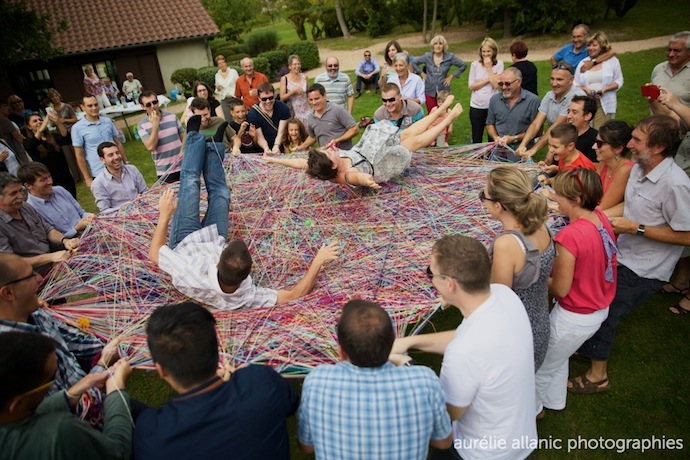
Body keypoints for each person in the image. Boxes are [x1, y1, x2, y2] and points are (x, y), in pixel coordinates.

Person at [148, 116, 341, 310]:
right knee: (222, 193)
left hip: (186, 240)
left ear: (216, 265)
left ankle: (193, 136)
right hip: (213, 238)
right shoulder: (245, 295)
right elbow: (293, 295)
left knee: (191, 183)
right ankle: (214, 145)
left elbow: (155, 254)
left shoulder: (190, 274)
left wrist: (165, 216)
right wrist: (317, 262)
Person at [571, 115, 690, 393]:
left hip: (645, 269)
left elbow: (687, 235)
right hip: (620, 254)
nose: (630, 144)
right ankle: (590, 348)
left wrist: (636, 228)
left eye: (637, 140)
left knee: (606, 312)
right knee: (596, 302)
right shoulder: (639, 167)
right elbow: (630, 205)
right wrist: (589, 218)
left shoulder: (676, 184)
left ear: (658, 147)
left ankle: (598, 376)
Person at [392, 235, 537, 460]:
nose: (429, 278)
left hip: (481, 452)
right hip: (520, 437)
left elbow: (448, 413)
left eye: (430, 273)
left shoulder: (463, 353)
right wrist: (411, 342)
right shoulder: (504, 295)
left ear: (450, 284)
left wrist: (405, 365)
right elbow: (464, 335)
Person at [134, 302, 298, 459]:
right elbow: (291, 403)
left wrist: (115, 392)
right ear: (217, 350)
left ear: (161, 370)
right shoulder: (262, 381)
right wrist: (243, 380)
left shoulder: (152, 434)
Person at [298, 299, 452, 459]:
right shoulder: (424, 381)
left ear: (341, 352)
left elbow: (306, 446)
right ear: (393, 339)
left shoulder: (317, 381)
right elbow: (443, 442)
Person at [536, 169, 617, 417]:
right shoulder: (600, 217)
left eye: (558, 194)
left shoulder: (570, 236)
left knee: (540, 368)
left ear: (577, 201)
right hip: (598, 308)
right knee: (559, 358)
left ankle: (531, 411)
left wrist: (534, 276)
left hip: (575, 316)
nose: (554, 198)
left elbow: (560, 287)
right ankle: (555, 401)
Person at [266, 96, 463, 189]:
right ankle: (447, 119)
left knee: (406, 132)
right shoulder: (347, 174)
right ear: (334, 164)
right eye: (329, 153)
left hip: (370, 148)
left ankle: (439, 110)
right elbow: (357, 178)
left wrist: (274, 161)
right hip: (381, 161)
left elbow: (300, 163)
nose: (330, 149)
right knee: (415, 141)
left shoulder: (323, 166)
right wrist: (367, 181)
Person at [0, 331, 132, 460]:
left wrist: (69, 395)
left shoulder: (8, 418)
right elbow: (118, 451)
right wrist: (116, 390)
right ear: (18, 403)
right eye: (52, 378)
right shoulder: (58, 433)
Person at [0, 253, 122, 392]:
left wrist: (122, 344)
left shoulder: (37, 313)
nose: (40, 278)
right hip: (82, 407)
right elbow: (61, 406)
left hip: (90, 393)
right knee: (149, 414)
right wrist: (102, 364)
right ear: (8, 292)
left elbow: (77, 341)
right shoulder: (9, 352)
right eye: (30, 276)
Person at [483, 167, 554, 371]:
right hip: (539, 322)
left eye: (483, 196)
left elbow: (497, 300)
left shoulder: (507, 244)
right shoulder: (541, 225)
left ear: (498, 206)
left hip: (516, 336)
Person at [0, 173, 79, 271]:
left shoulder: (24, 207)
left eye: (21, 191)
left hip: (55, 263)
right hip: (32, 276)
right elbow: (9, 263)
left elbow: (47, 229)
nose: (20, 196)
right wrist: (50, 257)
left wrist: (65, 241)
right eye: (13, 193)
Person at [516, 62, 586, 161]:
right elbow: (536, 123)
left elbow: (557, 126)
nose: (554, 83)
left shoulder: (576, 97)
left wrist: (534, 149)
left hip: (577, 145)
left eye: (559, 79)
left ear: (571, 80)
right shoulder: (549, 95)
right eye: (552, 79)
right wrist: (523, 145)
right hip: (559, 143)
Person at [17, 162, 94, 238]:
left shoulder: (60, 190)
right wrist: (76, 229)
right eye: (43, 180)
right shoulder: (31, 208)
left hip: (90, 233)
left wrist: (89, 216)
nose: (50, 182)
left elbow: (81, 212)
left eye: (49, 176)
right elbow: (49, 237)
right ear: (28, 186)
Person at [71, 95, 128, 186]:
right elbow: (79, 155)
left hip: (118, 167)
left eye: (96, 105)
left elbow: (117, 143)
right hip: (99, 171)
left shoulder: (107, 121)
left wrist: (126, 162)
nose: (94, 108)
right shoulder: (77, 128)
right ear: (82, 107)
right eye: (90, 106)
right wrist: (87, 178)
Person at [486, 67, 541, 157]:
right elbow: (489, 124)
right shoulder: (494, 100)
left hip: (521, 152)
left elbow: (538, 131)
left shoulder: (533, 101)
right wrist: (496, 137)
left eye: (507, 84)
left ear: (518, 82)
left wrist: (514, 138)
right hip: (498, 153)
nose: (503, 87)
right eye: (501, 83)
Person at [574, 31, 624, 130]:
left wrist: (604, 89)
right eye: (589, 45)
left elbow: (619, 81)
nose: (590, 48)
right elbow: (575, 83)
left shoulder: (612, 62)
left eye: (594, 45)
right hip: (585, 104)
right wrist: (585, 89)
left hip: (603, 103)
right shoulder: (583, 63)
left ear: (602, 46)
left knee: (600, 131)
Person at [21, 112, 77, 197]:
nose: (39, 122)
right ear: (29, 126)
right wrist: (43, 125)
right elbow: (32, 144)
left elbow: (65, 138)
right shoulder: (28, 142)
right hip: (48, 180)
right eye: (35, 121)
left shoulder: (52, 137)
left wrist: (58, 122)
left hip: (65, 176)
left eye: (40, 119)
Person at [137, 91, 184, 183]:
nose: (153, 106)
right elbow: (150, 146)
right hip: (165, 171)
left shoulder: (172, 116)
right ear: (143, 107)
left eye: (154, 102)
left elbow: (183, 137)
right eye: (148, 104)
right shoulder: (142, 125)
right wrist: (155, 125)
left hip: (183, 165)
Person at [90, 142, 148, 215]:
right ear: (102, 160)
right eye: (111, 155)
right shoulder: (98, 183)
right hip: (121, 220)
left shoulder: (132, 169)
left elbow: (145, 191)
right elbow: (105, 211)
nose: (116, 157)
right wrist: (126, 207)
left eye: (117, 153)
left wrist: (143, 198)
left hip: (144, 212)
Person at [296, 84, 358, 151]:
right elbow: (312, 137)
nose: (314, 102)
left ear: (324, 96)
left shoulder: (338, 110)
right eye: (311, 100)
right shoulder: (310, 117)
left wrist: (337, 140)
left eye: (316, 99)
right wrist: (301, 147)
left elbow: (354, 129)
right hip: (325, 156)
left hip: (344, 154)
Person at [412, 35, 467, 112]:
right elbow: (414, 63)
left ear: (443, 45)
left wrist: (451, 76)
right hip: (429, 90)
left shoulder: (449, 57)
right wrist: (421, 73)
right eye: (435, 43)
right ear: (432, 45)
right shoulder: (427, 56)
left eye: (440, 43)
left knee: (444, 113)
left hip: (444, 90)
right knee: (432, 114)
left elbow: (463, 65)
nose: (438, 46)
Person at [592, 120, 634, 212]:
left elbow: (603, 207)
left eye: (599, 143)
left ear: (618, 148)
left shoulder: (625, 170)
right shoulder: (605, 163)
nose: (594, 147)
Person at [468, 37, 503, 143]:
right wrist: (488, 79)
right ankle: (478, 158)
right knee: (477, 136)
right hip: (476, 105)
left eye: (488, 51)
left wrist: (489, 67)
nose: (486, 54)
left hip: (492, 106)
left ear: (494, 51)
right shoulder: (474, 65)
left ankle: (490, 158)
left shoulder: (499, 64)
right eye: (483, 51)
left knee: (492, 137)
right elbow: (471, 86)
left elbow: (496, 85)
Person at [650, 31, 690, 114]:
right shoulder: (659, 68)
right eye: (669, 50)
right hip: (656, 125)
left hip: (682, 126)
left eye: (677, 51)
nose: (671, 54)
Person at [47, 89, 81, 182]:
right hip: (61, 135)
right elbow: (52, 124)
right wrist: (55, 119)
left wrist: (64, 120)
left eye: (56, 96)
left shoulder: (67, 107)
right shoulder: (51, 110)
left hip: (71, 131)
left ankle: (82, 174)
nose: (55, 98)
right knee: (68, 156)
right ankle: (76, 177)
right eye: (53, 97)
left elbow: (75, 119)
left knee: (76, 153)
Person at [247, 82, 291, 154]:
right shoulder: (253, 113)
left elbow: (281, 132)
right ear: (259, 98)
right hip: (263, 147)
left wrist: (276, 145)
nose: (268, 101)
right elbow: (260, 136)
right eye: (264, 99)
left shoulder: (283, 108)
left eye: (271, 98)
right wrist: (266, 148)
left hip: (282, 144)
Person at [567, 95, 599, 163]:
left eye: (574, 112)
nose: (569, 116)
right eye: (568, 111)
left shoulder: (595, 140)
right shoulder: (563, 132)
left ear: (587, 116)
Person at [279, 55, 310, 122]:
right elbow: (282, 97)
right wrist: (293, 92)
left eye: (299, 64)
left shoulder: (304, 77)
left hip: (307, 111)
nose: (297, 66)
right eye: (295, 64)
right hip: (294, 112)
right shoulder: (284, 79)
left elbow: (309, 93)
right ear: (290, 66)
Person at [214, 55, 239, 120]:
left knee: (239, 117)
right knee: (227, 120)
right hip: (225, 99)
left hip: (234, 97)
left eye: (223, 62)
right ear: (218, 65)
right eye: (219, 63)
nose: (222, 64)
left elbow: (239, 84)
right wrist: (218, 88)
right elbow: (218, 90)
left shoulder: (233, 72)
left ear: (226, 63)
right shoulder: (217, 75)